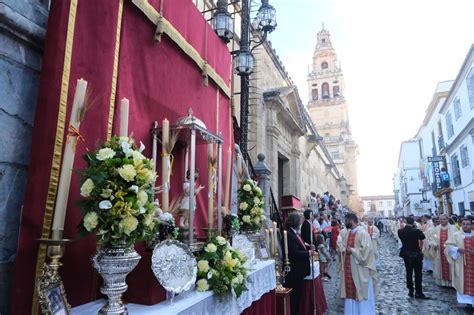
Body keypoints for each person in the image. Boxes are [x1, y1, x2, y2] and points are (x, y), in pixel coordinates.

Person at [337, 213, 377, 315]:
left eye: (346, 221)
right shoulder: (348, 233)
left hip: (360, 269)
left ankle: (364, 312)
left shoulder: (363, 233)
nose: (345, 223)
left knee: (360, 291)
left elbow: (367, 252)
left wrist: (353, 251)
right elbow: (344, 248)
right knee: (350, 292)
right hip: (349, 269)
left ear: (351, 220)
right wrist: (340, 247)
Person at [284, 212, 314, 315]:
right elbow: (294, 252)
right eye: (300, 221)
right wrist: (308, 253)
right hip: (295, 271)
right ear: (296, 222)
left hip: (299, 270)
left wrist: (308, 248)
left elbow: (301, 246)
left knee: (298, 295)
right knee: (295, 296)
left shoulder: (295, 233)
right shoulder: (289, 234)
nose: (301, 223)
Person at [444, 217, 474, 310]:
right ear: (461, 224)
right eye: (464, 224)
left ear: (471, 225)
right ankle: (468, 303)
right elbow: (447, 245)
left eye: (468, 224)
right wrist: (457, 249)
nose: (465, 226)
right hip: (462, 264)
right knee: (463, 283)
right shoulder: (456, 235)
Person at [398, 217, 429, 299]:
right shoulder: (416, 231)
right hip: (416, 253)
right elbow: (422, 237)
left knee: (409, 272)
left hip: (406, 254)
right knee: (418, 273)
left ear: (405, 222)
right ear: (413, 223)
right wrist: (415, 228)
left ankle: (410, 290)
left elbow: (401, 238)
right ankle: (418, 292)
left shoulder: (400, 231)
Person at [428, 214, 457, 287]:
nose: (442, 221)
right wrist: (433, 243)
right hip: (439, 251)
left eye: (444, 219)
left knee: (451, 266)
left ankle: (452, 283)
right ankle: (442, 282)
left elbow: (457, 239)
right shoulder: (436, 229)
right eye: (441, 219)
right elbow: (431, 238)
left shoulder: (453, 228)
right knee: (440, 265)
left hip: (450, 252)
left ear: (447, 219)